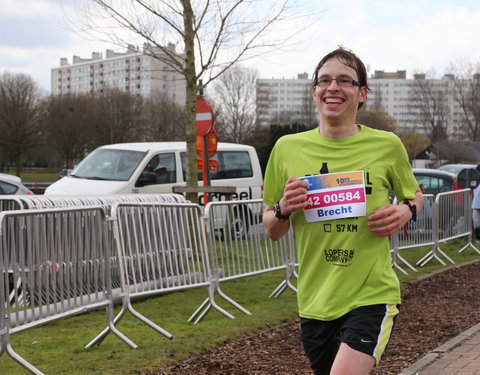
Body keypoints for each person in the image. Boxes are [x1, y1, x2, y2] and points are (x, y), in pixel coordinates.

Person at [262, 47, 424, 375]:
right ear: (314, 92)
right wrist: (283, 208)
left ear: (361, 93)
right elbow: (271, 228)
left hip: (371, 293)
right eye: (324, 80)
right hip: (315, 300)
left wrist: (407, 211)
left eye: (345, 81)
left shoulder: (387, 145)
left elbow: (415, 195)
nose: (333, 87)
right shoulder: (286, 149)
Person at [472, 164, 480, 243]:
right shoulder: (475, 179)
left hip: (476, 204)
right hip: (476, 205)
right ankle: (478, 240)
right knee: (476, 224)